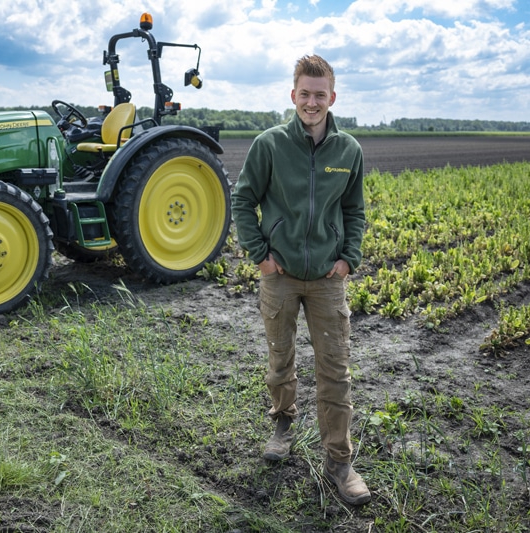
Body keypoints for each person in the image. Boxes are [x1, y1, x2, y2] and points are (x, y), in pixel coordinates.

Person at [231, 55, 370, 505]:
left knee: (335, 369)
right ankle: (283, 423)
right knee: (280, 358)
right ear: (294, 96)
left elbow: (354, 210)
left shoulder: (348, 150)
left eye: (320, 94)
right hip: (281, 277)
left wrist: (349, 258)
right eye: (305, 94)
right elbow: (243, 200)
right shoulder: (269, 145)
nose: (312, 102)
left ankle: (339, 461)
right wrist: (261, 257)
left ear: (333, 97)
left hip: (328, 278)